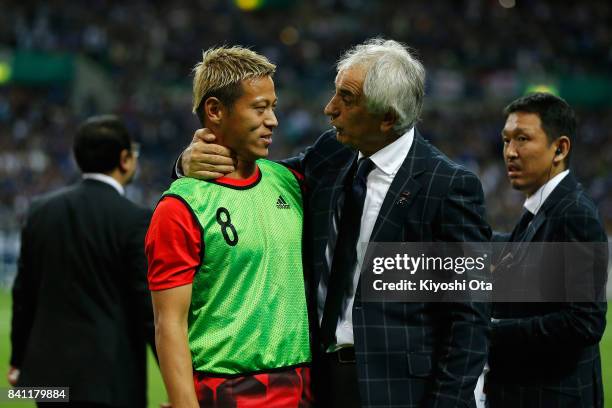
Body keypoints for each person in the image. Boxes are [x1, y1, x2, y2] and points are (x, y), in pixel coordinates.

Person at [178, 39, 491, 408]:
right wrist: (186, 165)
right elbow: (259, 179)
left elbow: (470, 316)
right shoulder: (333, 153)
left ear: (387, 118)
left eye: (347, 99)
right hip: (321, 383)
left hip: (402, 391)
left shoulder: (448, 187)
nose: (330, 109)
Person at [145, 46, 312, 408]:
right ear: (216, 111)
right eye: (259, 108)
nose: (273, 120)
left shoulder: (289, 181)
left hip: (303, 388)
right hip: (227, 392)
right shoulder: (181, 206)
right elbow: (168, 324)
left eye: (273, 106)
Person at [9, 115, 154, 407]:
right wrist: (179, 382)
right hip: (110, 377)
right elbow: (148, 309)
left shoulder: (40, 211)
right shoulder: (134, 219)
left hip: (51, 379)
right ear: (125, 159)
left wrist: (18, 359)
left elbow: (24, 293)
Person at [486, 92, 608, 407]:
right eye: (506, 140)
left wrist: (491, 331)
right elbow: (520, 250)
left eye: (523, 139)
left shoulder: (573, 214)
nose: (510, 152)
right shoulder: (543, 207)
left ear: (560, 148)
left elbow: (583, 323)